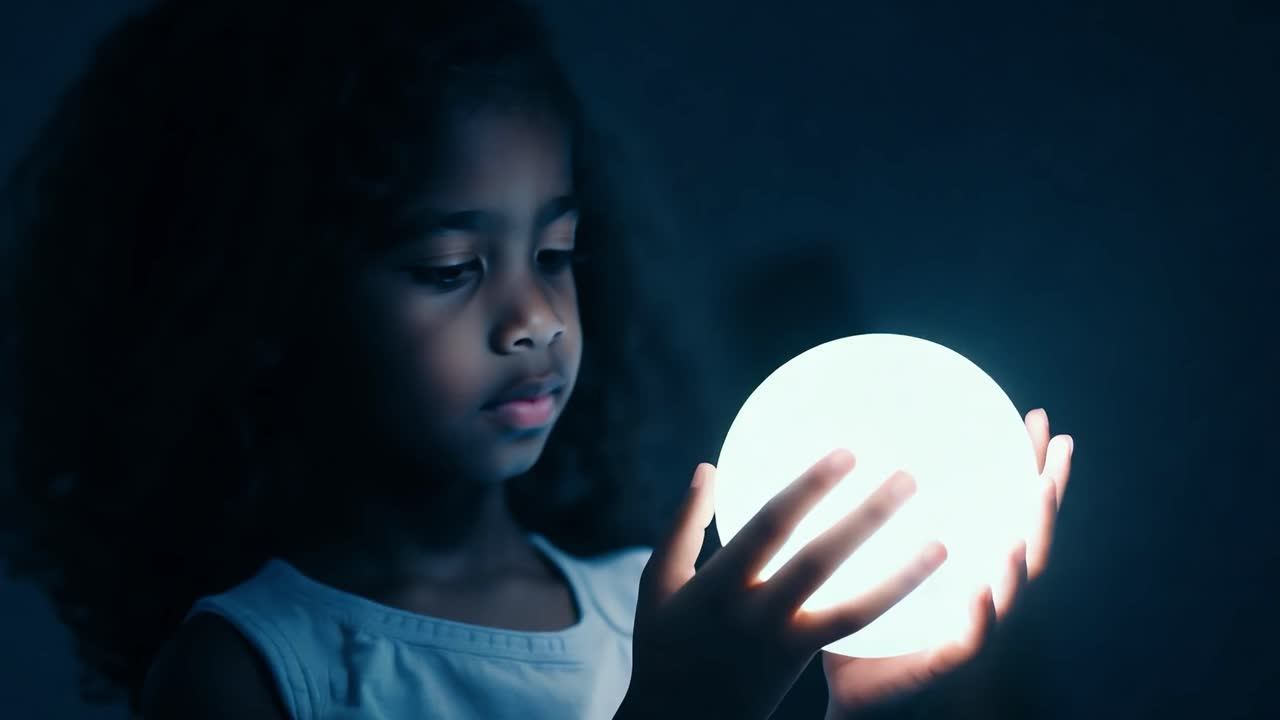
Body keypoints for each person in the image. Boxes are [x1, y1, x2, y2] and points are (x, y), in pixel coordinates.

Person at [1, 1, 1074, 718]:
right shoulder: (251, 671)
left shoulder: (655, 611)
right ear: (267, 298)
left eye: (555, 253)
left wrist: (854, 709)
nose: (533, 317)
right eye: (450, 266)